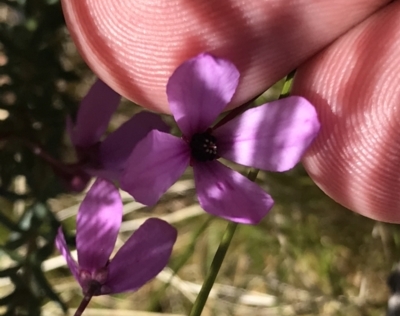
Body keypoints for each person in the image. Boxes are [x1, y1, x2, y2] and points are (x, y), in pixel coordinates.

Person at [61, 0, 398, 222]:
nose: (209, 148)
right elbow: (143, 176)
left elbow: (204, 74)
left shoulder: (197, 128)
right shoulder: (193, 159)